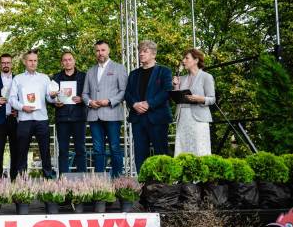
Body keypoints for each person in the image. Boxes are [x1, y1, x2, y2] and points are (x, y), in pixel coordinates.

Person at [124, 40, 172, 172]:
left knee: (161, 153)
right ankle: (142, 181)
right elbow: (127, 93)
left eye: (145, 51)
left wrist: (149, 104)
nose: (141, 53)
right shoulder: (133, 74)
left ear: (153, 54)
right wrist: (134, 104)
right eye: (140, 51)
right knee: (140, 153)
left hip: (157, 119)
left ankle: (164, 181)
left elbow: (167, 91)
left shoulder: (164, 71)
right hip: (138, 119)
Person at [83, 40, 128, 177]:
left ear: (108, 51)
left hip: (112, 115)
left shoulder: (119, 68)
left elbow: (124, 91)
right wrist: (90, 102)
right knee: (97, 150)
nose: (100, 53)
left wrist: (109, 101)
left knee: (115, 148)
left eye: (103, 50)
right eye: (97, 50)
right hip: (94, 116)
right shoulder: (90, 71)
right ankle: (99, 181)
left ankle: (117, 180)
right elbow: (84, 94)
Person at [9, 50, 55, 179]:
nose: (33, 63)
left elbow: (49, 98)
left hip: (42, 119)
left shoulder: (44, 78)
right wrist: (22, 107)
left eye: (35, 60)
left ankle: (48, 180)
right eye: (30, 60)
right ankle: (22, 180)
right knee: (21, 152)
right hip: (24, 119)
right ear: (25, 61)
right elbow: (12, 99)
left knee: (45, 151)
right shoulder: (18, 79)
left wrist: (53, 97)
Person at [173, 48, 215, 156]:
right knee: (183, 150)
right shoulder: (181, 78)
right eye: (183, 58)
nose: (183, 61)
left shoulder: (206, 77)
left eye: (187, 58)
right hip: (183, 118)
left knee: (199, 149)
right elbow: (178, 99)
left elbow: (212, 99)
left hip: (199, 119)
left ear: (196, 60)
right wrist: (176, 86)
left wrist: (200, 99)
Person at [51, 51, 88, 174]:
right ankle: (64, 179)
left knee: (81, 149)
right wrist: (55, 102)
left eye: (70, 59)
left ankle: (82, 179)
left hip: (79, 117)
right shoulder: (55, 78)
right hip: (62, 118)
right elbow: (50, 97)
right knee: (63, 151)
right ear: (62, 62)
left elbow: (90, 94)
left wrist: (82, 99)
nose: (67, 62)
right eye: (65, 60)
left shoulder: (84, 77)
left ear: (74, 61)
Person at [0, 53, 19, 179]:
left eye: (8, 62)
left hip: (15, 120)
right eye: (3, 62)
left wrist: (19, 111)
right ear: (0, 64)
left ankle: (15, 180)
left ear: (11, 64)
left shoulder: (18, 79)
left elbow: (23, 99)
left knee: (16, 152)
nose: (6, 65)